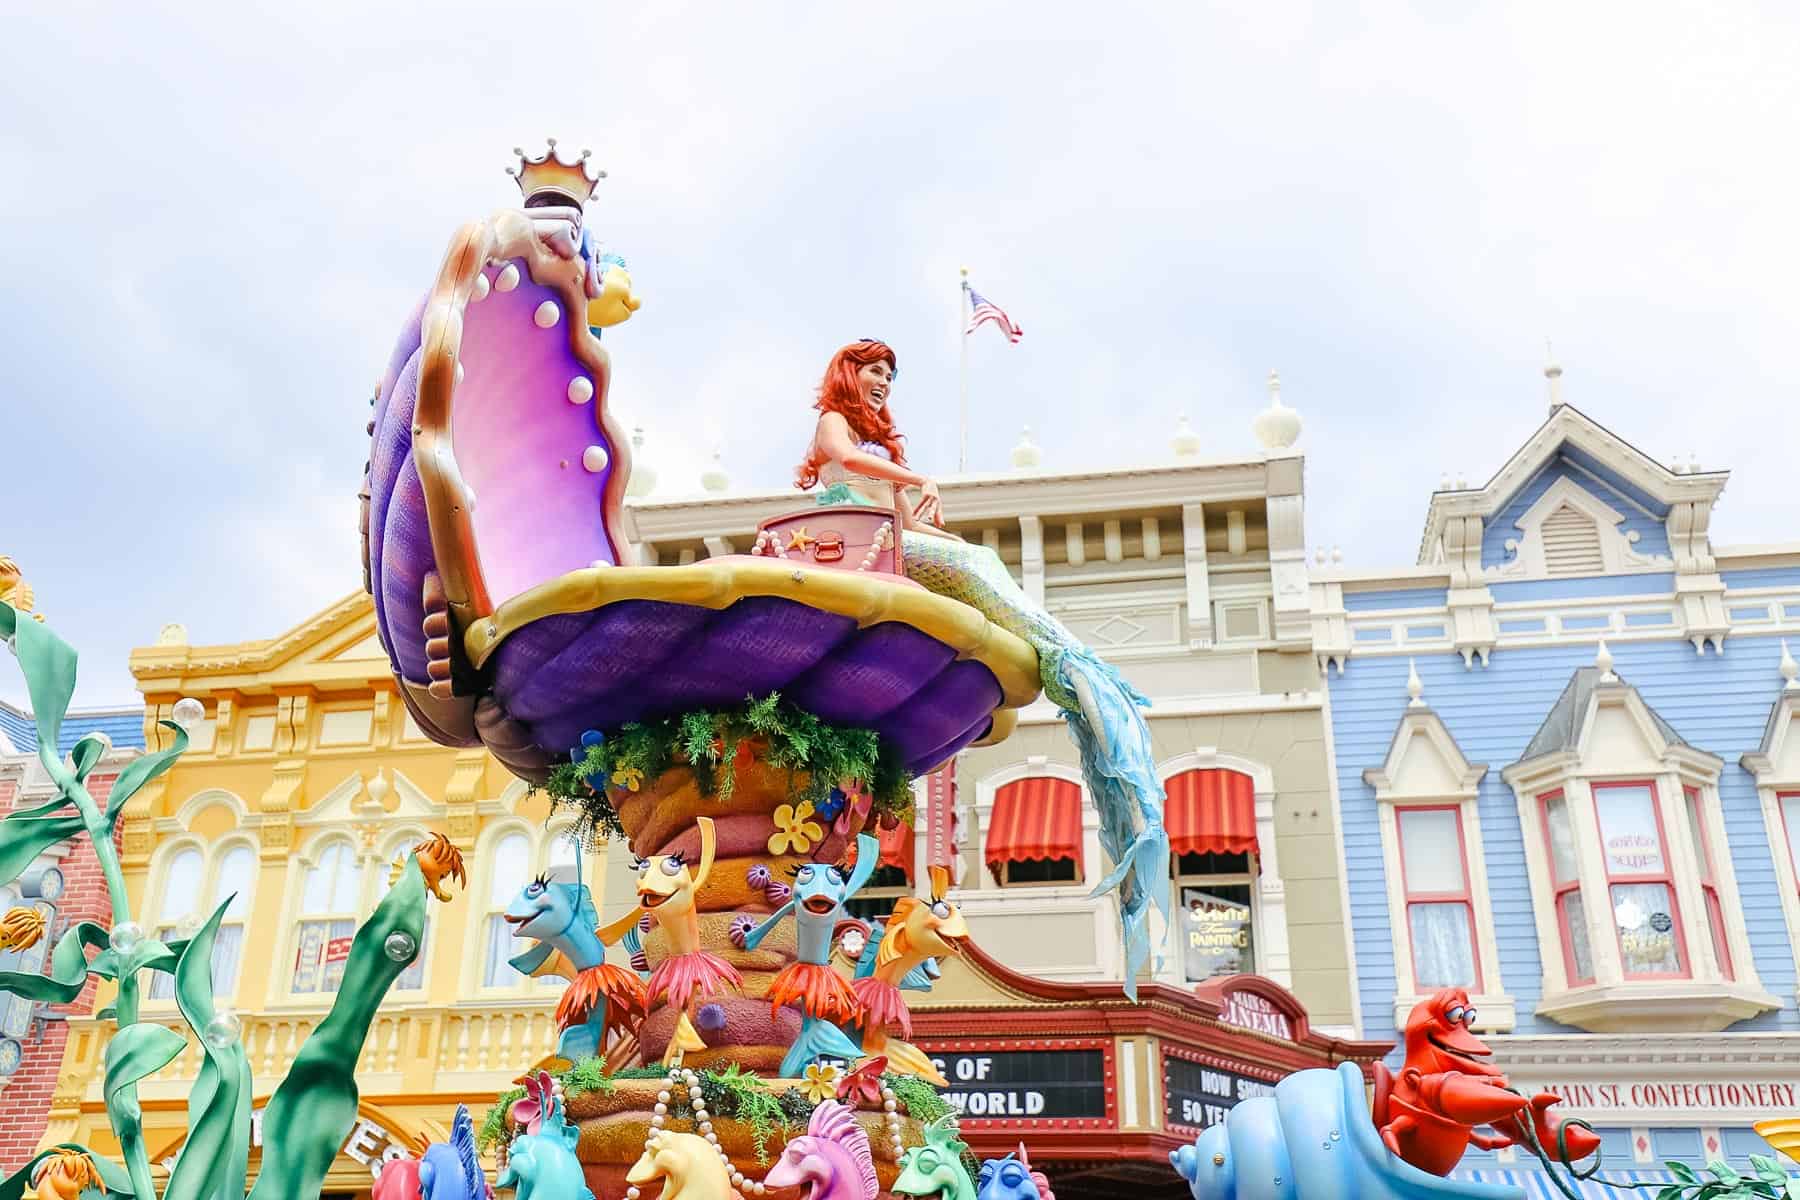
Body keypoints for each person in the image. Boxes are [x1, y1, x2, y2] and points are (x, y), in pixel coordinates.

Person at [793, 339, 1172, 994]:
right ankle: (1062, 656)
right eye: (874, 370)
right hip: (856, 552)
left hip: (896, 545)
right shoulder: (835, 423)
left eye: (891, 372)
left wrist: (949, 534)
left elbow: (910, 521)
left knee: (983, 567)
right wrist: (918, 483)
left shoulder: (883, 457)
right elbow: (847, 461)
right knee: (977, 572)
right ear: (848, 376)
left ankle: (1065, 660)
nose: (883, 381)